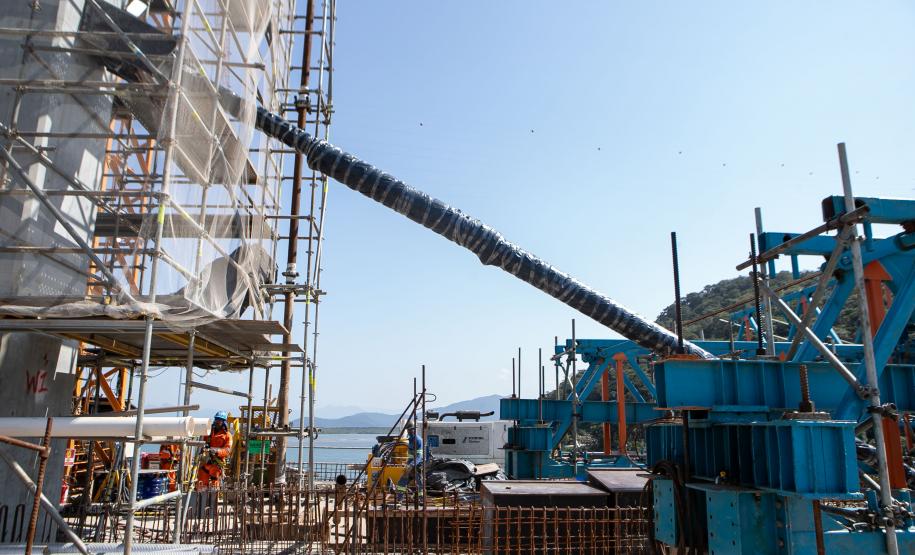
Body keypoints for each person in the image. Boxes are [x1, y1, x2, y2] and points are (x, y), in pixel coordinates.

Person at [196, 411, 233, 491]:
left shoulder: (227, 435)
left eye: (220, 420)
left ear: (223, 422)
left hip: (216, 464)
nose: (218, 421)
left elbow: (227, 450)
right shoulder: (208, 432)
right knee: (201, 484)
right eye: (217, 419)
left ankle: (212, 501)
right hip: (205, 463)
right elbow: (201, 443)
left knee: (214, 485)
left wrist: (216, 451)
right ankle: (200, 500)